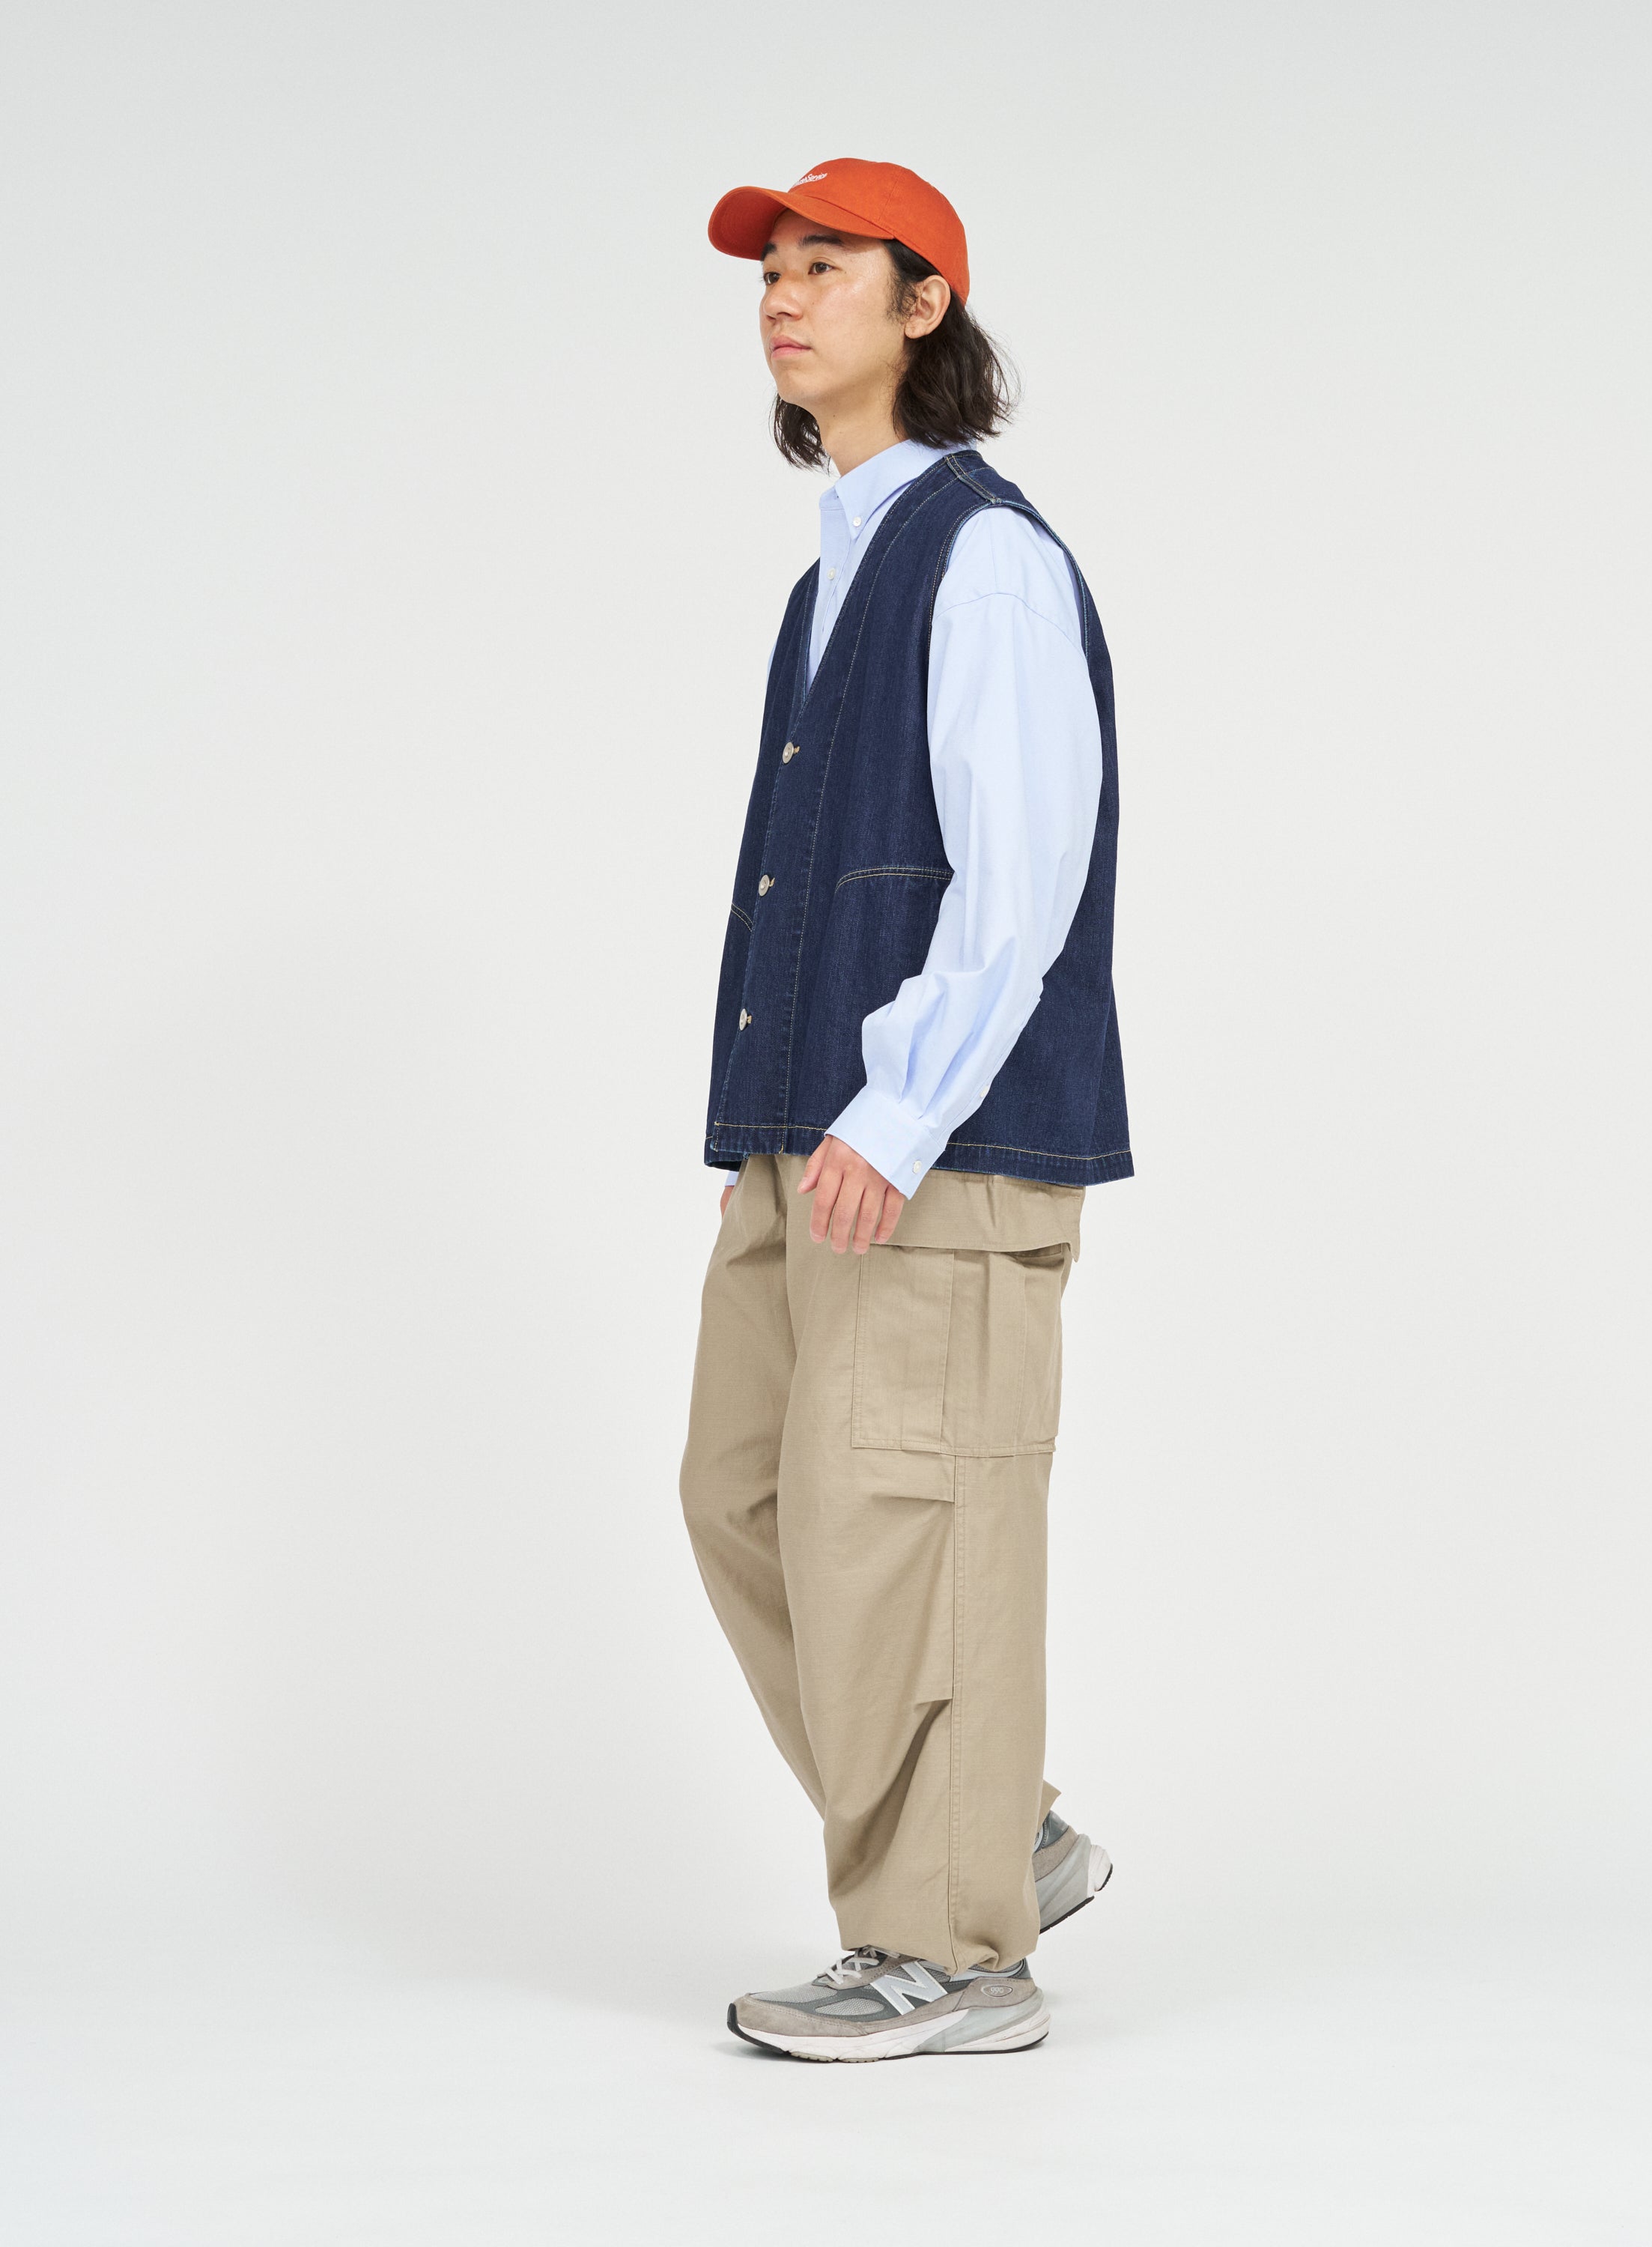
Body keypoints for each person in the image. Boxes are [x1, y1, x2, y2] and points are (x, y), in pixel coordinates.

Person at [678, 158, 1132, 2062]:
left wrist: (899, 1108)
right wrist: (788, 1134)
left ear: (926, 303)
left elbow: (1022, 873)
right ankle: (990, 1835)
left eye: (826, 266)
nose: (783, 300)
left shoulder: (987, 556)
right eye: (768, 274)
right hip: (810, 1133)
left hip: (929, 1141)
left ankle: (953, 1954)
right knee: (747, 1499)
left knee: (908, 1525)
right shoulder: (834, 574)